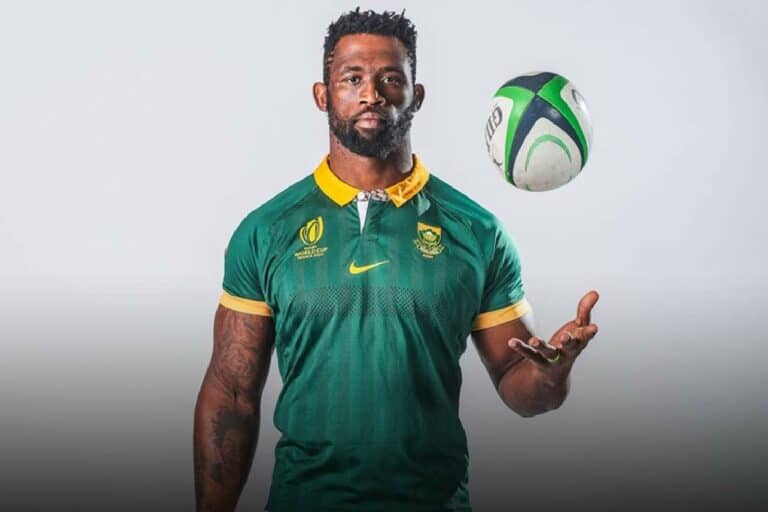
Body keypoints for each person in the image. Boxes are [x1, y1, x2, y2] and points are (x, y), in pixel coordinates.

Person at [193, 8, 599, 512]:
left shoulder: (476, 231)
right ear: (322, 96)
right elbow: (231, 395)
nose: (372, 94)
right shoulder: (267, 230)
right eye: (352, 79)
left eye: (390, 78)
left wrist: (552, 373)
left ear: (416, 95)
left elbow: (522, 385)